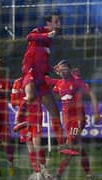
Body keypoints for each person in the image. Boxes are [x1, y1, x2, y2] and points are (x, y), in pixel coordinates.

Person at [46, 60, 101, 180]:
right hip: (67, 122)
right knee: (78, 148)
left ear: (70, 70)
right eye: (61, 69)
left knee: (69, 145)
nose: (63, 71)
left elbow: (91, 94)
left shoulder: (77, 81)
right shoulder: (59, 84)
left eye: (65, 68)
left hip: (78, 121)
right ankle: (90, 175)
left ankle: (58, 176)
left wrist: (96, 112)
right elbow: (50, 88)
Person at [19, 11, 65, 146]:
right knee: (31, 96)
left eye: (59, 21)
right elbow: (29, 37)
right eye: (56, 21)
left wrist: (52, 69)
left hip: (41, 77)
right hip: (30, 71)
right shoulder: (40, 31)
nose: (59, 24)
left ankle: (63, 144)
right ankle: (19, 120)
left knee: (55, 111)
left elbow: (42, 60)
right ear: (48, 23)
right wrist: (46, 34)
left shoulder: (50, 41)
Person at [11, 76, 50, 180]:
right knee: (31, 150)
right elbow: (15, 104)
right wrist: (19, 121)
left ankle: (44, 170)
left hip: (35, 120)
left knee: (37, 146)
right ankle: (38, 175)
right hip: (24, 122)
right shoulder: (17, 83)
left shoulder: (37, 86)